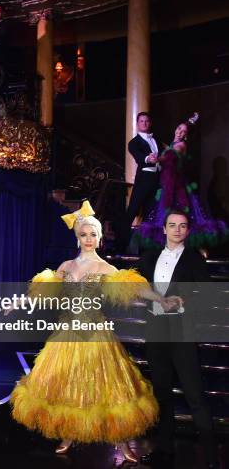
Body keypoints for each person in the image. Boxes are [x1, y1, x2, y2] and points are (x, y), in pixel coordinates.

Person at [10, 201, 168, 463]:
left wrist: (160, 299)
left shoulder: (106, 268)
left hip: (95, 334)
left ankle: (122, 443)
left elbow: (135, 288)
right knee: (67, 387)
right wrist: (17, 302)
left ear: (100, 237)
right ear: (77, 237)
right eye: (83, 234)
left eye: (93, 234)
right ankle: (69, 434)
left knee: (108, 389)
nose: (88, 239)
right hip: (67, 336)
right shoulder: (66, 266)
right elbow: (41, 291)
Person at [137, 210, 218, 468]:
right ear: (163, 229)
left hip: (182, 333)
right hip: (156, 333)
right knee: (162, 394)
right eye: (172, 225)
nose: (177, 230)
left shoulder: (194, 258)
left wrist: (184, 301)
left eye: (182, 226)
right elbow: (139, 289)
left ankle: (211, 458)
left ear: (188, 230)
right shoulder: (149, 257)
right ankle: (164, 450)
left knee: (195, 395)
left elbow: (207, 295)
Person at [134, 117, 228, 249]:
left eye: (184, 131)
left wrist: (157, 158)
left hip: (177, 186)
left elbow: (169, 157)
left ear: (186, 135)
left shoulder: (181, 145)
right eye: (179, 129)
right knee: (164, 216)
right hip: (167, 184)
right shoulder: (173, 143)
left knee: (179, 215)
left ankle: (186, 251)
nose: (180, 132)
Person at [120, 111, 162, 251]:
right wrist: (147, 159)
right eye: (141, 121)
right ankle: (122, 243)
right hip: (143, 179)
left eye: (147, 121)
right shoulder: (133, 142)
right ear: (137, 124)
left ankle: (146, 246)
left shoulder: (157, 139)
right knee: (132, 211)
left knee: (151, 214)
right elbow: (139, 157)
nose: (144, 123)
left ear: (150, 123)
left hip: (156, 180)